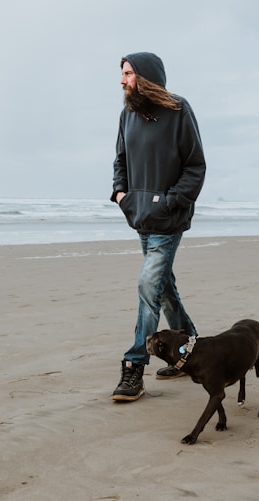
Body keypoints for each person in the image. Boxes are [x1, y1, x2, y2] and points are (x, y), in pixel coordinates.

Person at [110, 52, 206, 402]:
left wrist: (169, 204)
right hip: (140, 218)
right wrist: (122, 196)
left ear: (146, 76)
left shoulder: (179, 110)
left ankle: (135, 365)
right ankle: (190, 346)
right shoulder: (127, 115)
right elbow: (120, 159)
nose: (122, 80)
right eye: (122, 74)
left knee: (148, 285)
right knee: (163, 287)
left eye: (128, 73)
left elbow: (195, 166)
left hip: (169, 220)